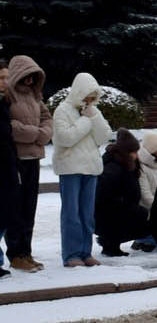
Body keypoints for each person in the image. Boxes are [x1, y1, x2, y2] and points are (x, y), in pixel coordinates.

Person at [54, 72, 113, 267]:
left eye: (93, 96)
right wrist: (86, 121)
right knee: (71, 213)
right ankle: (71, 255)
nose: (89, 99)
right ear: (79, 92)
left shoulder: (93, 111)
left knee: (87, 214)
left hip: (91, 168)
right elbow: (64, 138)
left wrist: (93, 117)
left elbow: (104, 136)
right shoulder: (62, 110)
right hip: (70, 168)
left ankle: (86, 253)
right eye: (87, 94)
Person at [5, 55, 50, 272]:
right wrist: (35, 134)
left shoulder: (35, 96)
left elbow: (47, 118)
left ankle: (27, 251)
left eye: (34, 77)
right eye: (27, 76)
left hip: (34, 158)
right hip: (17, 160)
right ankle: (15, 253)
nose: (30, 81)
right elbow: (10, 126)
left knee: (30, 208)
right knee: (16, 209)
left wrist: (42, 134)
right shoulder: (9, 96)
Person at [95, 129, 149, 256]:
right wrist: (125, 204)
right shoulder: (113, 168)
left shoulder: (125, 164)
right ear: (126, 153)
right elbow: (105, 196)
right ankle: (110, 243)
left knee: (142, 217)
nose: (136, 156)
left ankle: (112, 243)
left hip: (120, 210)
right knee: (141, 217)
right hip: (109, 214)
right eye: (134, 152)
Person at [134, 132, 157, 250]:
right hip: (147, 211)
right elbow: (145, 196)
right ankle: (144, 239)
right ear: (154, 149)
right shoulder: (141, 168)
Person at [0, 65, 17, 278]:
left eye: (7, 77)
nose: (5, 81)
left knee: (5, 215)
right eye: (1, 77)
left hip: (7, 165)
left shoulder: (5, 103)